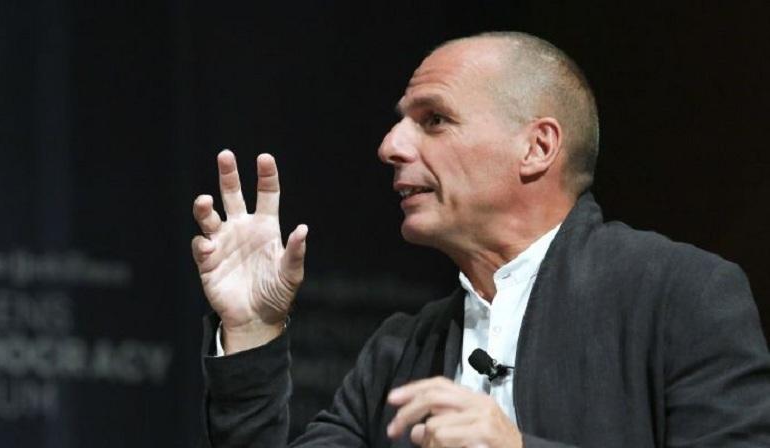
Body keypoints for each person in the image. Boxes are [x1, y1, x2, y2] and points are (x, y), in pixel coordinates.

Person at [191, 32, 770, 447]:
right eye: (401, 122)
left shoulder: (680, 295)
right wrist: (252, 332)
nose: (390, 146)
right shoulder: (398, 352)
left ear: (537, 147)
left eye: (434, 120)